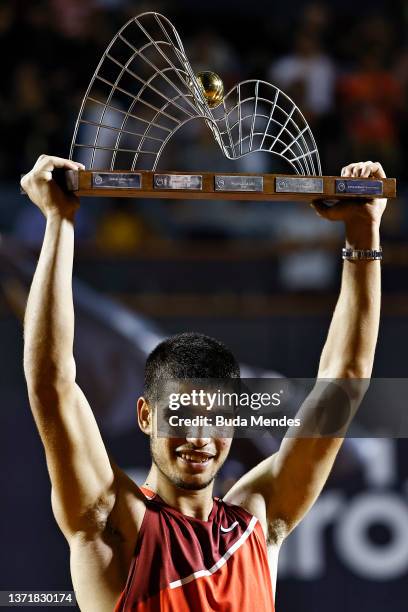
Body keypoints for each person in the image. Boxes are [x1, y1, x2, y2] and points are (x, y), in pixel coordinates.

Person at [21, 156, 386, 611]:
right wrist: (59, 223)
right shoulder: (113, 518)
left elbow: (345, 383)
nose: (198, 437)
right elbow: (52, 385)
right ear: (145, 414)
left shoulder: (259, 519)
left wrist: (362, 232)